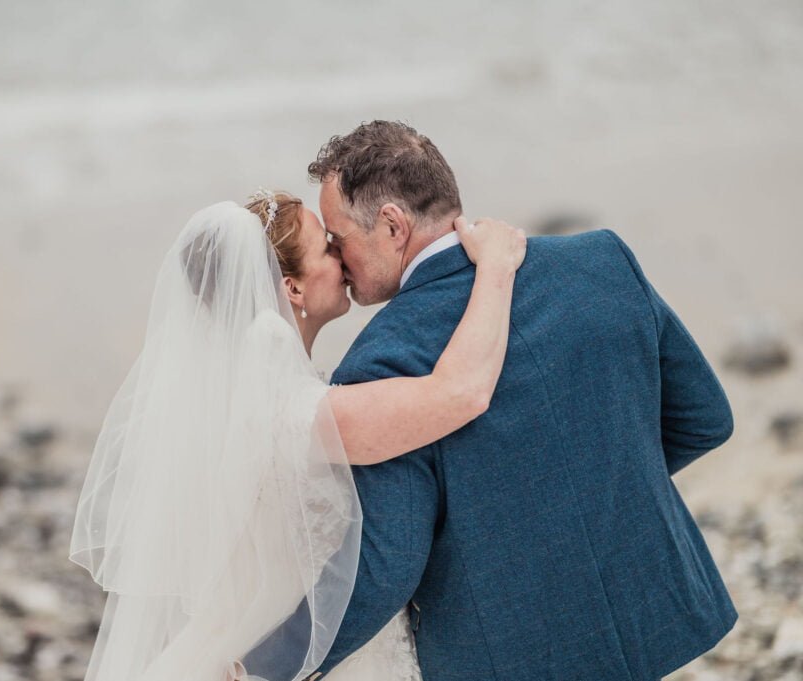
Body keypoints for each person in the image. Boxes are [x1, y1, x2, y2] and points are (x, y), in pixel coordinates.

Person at [243, 121, 737, 681]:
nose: (337, 255)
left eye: (339, 238)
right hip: (647, 611)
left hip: (510, 651)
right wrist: (602, 494)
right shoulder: (603, 261)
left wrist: (262, 668)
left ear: (391, 225)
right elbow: (705, 420)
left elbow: (390, 564)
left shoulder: (380, 361)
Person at [70, 188, 526, 681]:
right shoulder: (278, 399)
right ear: (292, 287)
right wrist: (495, 269)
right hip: (274, 659)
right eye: (328, 247)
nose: (343, 253)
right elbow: (459, 394)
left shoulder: (242, 386)